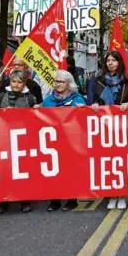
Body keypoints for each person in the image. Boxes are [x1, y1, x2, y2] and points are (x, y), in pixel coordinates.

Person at [87, 50, 128, 211]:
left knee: (121, 161)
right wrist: (92, 105)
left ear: (119, 62)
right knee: (107, 161)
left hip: (122, 127)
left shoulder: (127, 81)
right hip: (103, 126)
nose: (110, 63)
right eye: (108, 60)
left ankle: (122, 194)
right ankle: (111, 194)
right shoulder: (97, 80)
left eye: (114, 60)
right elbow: (90, 98)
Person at [0, 71, 38, 214]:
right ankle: (3, 201)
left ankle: (24, 200)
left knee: (23, 171)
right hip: (3, 139)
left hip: (22, 139)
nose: (16, 85)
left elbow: (36, 118)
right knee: (4, 170)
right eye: (14, 82)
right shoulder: (0, 96)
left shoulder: (30, 98)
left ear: (24, 84)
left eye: (19, 82)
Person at [42, 70, 87, 211]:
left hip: (71, 142)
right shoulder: (48, 100)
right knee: (53, 171)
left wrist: (83, 110)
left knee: (70, 171)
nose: (58, 84)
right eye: (56, 81)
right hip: (52, 142)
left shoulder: (78, 100)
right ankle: (54, 200)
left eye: (61, 81)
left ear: (69, 84)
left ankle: (71, 199)